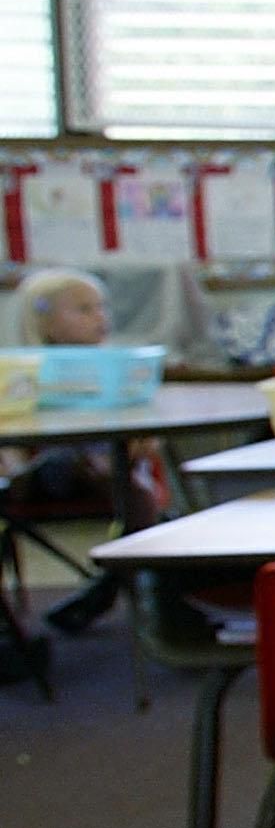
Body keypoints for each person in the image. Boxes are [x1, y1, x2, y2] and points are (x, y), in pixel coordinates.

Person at [3, 268, 158, 635]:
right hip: (41, 474)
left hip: (111, 472)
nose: (99, 318)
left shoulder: (119, 368)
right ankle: (132, 568)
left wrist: (143, 440)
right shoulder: (20, 371)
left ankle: (116, 579)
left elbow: (149, 434)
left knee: (130, 479)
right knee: (77, 462)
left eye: (101, 308)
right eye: (83, 310)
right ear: (46, 323)